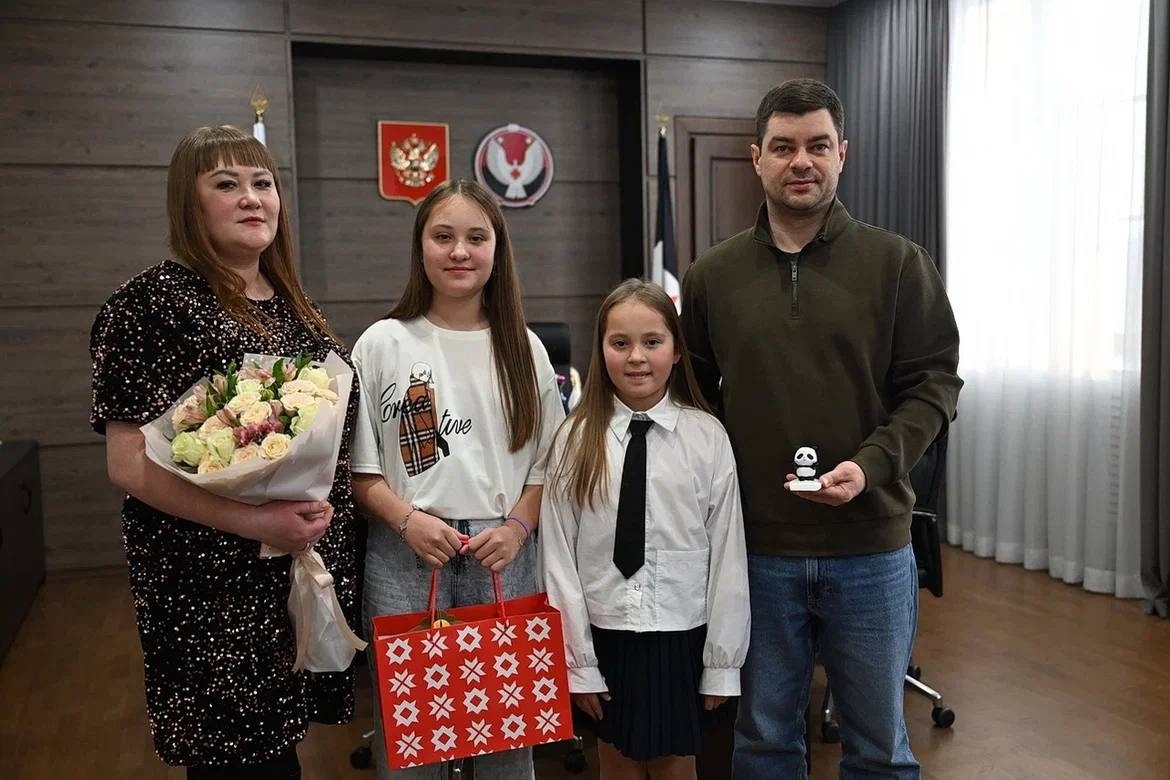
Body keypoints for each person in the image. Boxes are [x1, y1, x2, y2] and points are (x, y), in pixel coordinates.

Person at [680, 79, 963, 779]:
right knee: (764, 743)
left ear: (843, 153)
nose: (800, 161)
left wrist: (870, 466)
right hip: (756, 551)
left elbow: (934, 386)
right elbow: (695, 401)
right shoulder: (712, 277)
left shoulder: (899, 265)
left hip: (871, 547)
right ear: (756, 158)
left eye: (817, 145)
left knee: (879, 750)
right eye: (783, 147)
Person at [90, 125, 360, 779]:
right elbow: (128, 463)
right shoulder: (151, 304)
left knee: (281, 754)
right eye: (226, 183)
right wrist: (254, 520)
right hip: (209, 584)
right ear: (190, 201)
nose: (251, 198)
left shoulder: (294, 305)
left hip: (294, 568)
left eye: (262, 183)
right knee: (240, 763)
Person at [350, 178, 565, 780]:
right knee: (411, 742)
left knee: (506, 740)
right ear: (420, 247)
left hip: (504, 553)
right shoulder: (382, 343)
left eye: (476, 237)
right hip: (407, 551)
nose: (460, 251)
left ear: (498, 248)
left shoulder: (525, 348)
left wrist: (518, 528)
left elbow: (548, 466)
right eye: (442, 237)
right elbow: (360, 473)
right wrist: (406, 521)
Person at [541, 279, 750, 780]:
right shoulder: (575, 438)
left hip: (681, 636)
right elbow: (558, 557)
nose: (636, 357)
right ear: (601, 350)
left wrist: (722, 663)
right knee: (616, 763)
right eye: (620, 343)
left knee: (676, 766)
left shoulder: (707, 437)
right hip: (603, 635)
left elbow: (728, 554)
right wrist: (577, 662)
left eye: (652, 341)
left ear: (676, 351)